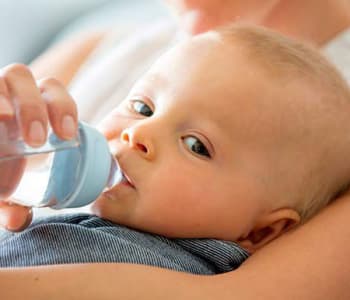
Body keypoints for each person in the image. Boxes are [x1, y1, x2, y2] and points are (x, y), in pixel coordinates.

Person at [1, 1, 350, 299]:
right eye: (142, 108)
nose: (138, 133)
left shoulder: (324, 133)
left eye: (196, 146)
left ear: (261, 232)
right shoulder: (107, 45)